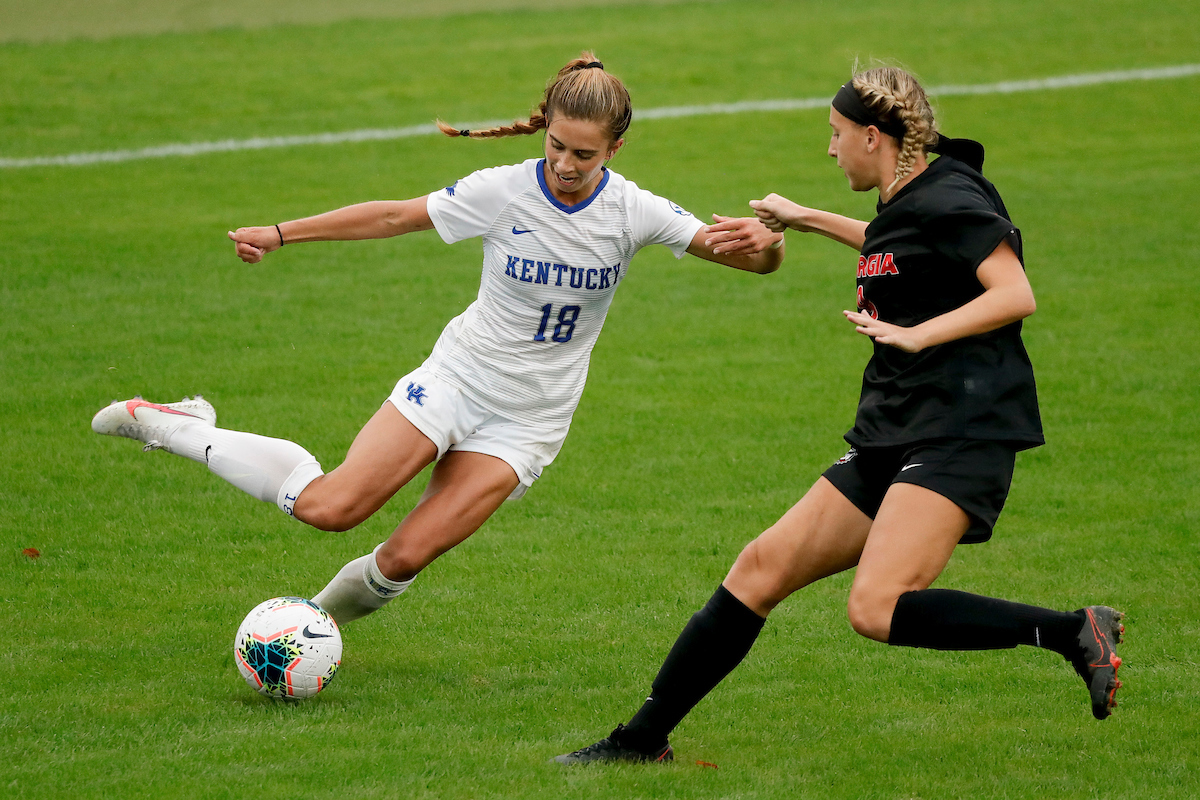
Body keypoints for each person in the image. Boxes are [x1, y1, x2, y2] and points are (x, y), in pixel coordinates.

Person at [554, 64, 1125, 765]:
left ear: (874, 137)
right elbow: (897, 246)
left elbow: (1014, 292)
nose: (830, 149)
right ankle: (641, 741)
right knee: (760, 569)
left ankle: (1073, 632)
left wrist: (919, 333)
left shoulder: (950, 194)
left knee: (876, 607)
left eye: (836, 134)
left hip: (959, 429)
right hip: (896, 425)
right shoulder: (909, 197)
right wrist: (802, 216)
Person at [91, 53, 783, 626]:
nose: (566, 164)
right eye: (556, 146)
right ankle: (177, 425)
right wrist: (279, 233)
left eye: (584, 153)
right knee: (332, 509)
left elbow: (750, 260)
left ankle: (307, 628)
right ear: (543, 132)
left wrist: (768, 243)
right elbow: (393, 217)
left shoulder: (636, 211)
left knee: (400, 561)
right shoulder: (503, 190)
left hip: (530, 421)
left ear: (615, 149)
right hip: (457, 381)